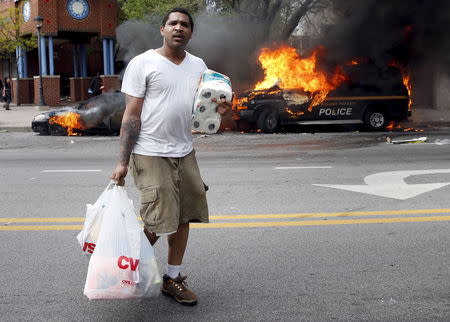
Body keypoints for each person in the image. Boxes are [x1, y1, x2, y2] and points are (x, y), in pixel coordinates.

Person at [110, 7, 231, 306]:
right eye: (173, 23)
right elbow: (131, 115)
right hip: (150, 152)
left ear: (190, 32)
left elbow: (206, 104)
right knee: (158, 219)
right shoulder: (143, 64)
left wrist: (220, 110)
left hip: (185, 151)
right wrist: (122, 162)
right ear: (162, 29)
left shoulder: (199, 65)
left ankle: (172, 278)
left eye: (185, 24)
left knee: (184, 216)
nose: (179, 28)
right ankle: (127, 264)